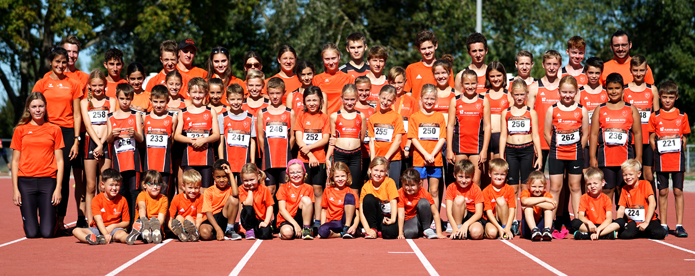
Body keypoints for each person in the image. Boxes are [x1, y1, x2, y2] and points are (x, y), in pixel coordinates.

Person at [32, 46, 82, 233]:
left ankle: (60, 220)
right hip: (47, 130)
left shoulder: (74, 83)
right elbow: (34, 108)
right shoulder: (42, 83)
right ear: (50, 63)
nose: (61, 65)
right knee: (46, 174)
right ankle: (46, 217)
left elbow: (77, 114)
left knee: (63, 174)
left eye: (64, 61)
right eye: (57, 62)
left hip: (68, 132)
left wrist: (77, 139)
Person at [11, 92, 65, 238]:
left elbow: (60, 160)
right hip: (25, 182)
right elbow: (15, 161)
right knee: (32, 233)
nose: (38, 110)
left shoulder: (55, 129)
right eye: (34, 106)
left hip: (48, 181)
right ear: (28, 108)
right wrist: (16, 189)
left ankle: (53, 220)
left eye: (41, 106)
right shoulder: (20, 130)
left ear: (46, 107)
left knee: (47, 233)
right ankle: (30, 222)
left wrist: (58, 188)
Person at [544, 75, 589, 227]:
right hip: (557, 153)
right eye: (564, 92)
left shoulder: (582, 110)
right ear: (559, 92)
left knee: (575, 187)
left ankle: (578, 221)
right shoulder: (553, 109)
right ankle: (552, 222)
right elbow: (546, 133)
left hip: (575, 153)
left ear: (576, 92)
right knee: (555, 187)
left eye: (571, 92)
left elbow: (585, 134)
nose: (567, 95)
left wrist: (577, 149)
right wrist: (556, 147)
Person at [589, 73, 642, 201]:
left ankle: (622, 219)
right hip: (605, 159)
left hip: (625, 159)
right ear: (606, 89)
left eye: (617, 88)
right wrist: (592, 157)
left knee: (623, 189)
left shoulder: (631, 109)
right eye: (610, 88)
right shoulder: (600, 109)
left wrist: (639, 156)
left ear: (623, 90)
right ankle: (606, 218)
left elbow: (638, 133)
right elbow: (594, 134)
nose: (614, 91)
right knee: (607, 189)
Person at [648, 81, 689, 237]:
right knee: (663, 191)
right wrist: (657, 150)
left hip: (677, 159)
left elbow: (684, 137)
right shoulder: (655, 116)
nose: (667, 100)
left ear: (676, 97)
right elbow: (652, 137)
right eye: (664, 97)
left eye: (670, 97)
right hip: (661, 160)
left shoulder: (682, 116)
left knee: (678, 191)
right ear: (659, 96)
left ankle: (679, 225)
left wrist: (679, 147)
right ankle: (664, 224)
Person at [174, 78, 220, 193]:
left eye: (200, 92)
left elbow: (216, 135)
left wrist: (203, 140)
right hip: (189, 158)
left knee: (205, 191)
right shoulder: (183, 112)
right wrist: (192, 140)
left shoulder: (211, 111)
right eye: (194, 92)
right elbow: (177, 136)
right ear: (188, 93)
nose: (197, 95)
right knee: (190, 190)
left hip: (206, 158)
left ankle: (204, 211)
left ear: (206, 93)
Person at [106, 83, 143, 225]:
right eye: (122, 98)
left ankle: (135, 224)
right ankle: (122, 223)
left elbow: (141, 139)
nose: (125, 102)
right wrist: (112, 135)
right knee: (120, 194)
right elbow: (108, 141)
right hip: (118, 164)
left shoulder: (136, 115)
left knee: (134, 194)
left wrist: (135, 134)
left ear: (132, 98)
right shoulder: (111, 117)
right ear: (117, 98)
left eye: (128, 99)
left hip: (133, 164)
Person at [81, 69, 113, 226]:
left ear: (105, 85)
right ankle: (90, 220)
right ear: (89, 86)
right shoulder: (84, 102)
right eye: (95, 85)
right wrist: (98, 144)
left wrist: (102, 143)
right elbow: (87, 125)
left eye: (101, 85)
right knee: (91, 185)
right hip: (91, 143)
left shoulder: (111, 101)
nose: (98, 88)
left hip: (106, 142)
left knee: (104, 184)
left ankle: (104, 218)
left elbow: (111, 124)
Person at [447, 69, 490, 186]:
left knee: (475, 181)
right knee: (461, 180)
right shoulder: (455, 101)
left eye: (473, 83)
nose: (470, 86)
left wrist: (484, 150)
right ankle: (461, 204)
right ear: (462, 84)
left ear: (477, 83)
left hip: (477, 147)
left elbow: (487, 126)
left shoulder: (483, 100)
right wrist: (450, 150)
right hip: (460, 146)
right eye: (467, 83)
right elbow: (450, 126)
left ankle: (474, 204)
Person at [294, 86, 329, 226]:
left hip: (320, 158)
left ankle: (318, 220)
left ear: (321, 101)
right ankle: (305, 221)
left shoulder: (324, 118)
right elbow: (298, 139)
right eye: (309, 100)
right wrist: (309, 154)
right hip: (303, 160)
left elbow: (325, 139)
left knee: (318, 189)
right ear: (304, 102)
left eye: (315, 100)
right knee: (305, 189)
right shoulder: (301, 116)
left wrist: (310, 149)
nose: (312, 103)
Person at [499, 79, 542, 194]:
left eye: (522, 94)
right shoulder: (505, 113)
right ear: (511, 94)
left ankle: (526, 212)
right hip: (511, 151)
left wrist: (540, 156)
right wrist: (501, 155)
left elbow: (536, 135)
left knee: (526, 188)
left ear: (527, 94)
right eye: (516, 94)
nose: (519, 97)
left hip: (527, 151)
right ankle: (512, 212)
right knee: (512, 188)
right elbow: (503, 136)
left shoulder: (531, 112)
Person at [408, 85, 446, 212]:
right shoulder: (415, 117)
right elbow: (413, 138)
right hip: (419, 158)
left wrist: (432, 155)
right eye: (426, 98)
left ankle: (434, 218)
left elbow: (442, 138)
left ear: (436, 100)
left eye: (432, 99)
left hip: (435, 159)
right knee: (417, 189)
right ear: (421, 98)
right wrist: (425, 155)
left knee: (434, 191)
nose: (429, 101)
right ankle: (418, 216)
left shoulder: (439, 117)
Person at [624, 55, 660, 187]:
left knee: (648, 175)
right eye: (636, 70)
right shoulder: (624, 89)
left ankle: (651, 205)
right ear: (631, 71)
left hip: (648, 138)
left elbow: (657, 116)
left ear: (646, 71)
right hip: (630, 140)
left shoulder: (652, 89)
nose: (638, 73)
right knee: (629, 174)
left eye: (641, 70)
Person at [327, 84, 367, 195]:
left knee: (354, 187)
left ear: (357, 99)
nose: (349, 102)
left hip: (356, 155)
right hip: (339, 154)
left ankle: (354, 212)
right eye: (346, 99)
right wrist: (327, 158)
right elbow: (332, 139)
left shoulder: (361, 116)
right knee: (338, 186)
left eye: (352, 99)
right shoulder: (334, 116)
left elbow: (362, 138)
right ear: (341, 99)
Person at [257, 77, 294, 195]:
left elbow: (292, 137)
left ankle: (281, 213)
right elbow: (260, 137)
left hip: (285, 158)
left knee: (284, 191)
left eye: (278, 93)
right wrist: (266, 153)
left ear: (284, 92)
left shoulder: (290, 112)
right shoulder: (262, 113)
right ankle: (269, 214)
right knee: (270, 191)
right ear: (267, 93)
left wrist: (287, 150)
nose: (275, 96)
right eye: (272, 93)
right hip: (268, 159)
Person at [527, 50, 563, 171]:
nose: (551, 68)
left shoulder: (564, 88)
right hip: (538, 142)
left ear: (560, 65)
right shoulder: (534, 87)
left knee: (560, 182)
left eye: (555, 64)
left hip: (560, 142)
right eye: (548, 64)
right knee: (536, 179)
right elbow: (528, 117)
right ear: (543, 64)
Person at [72, 169, 129, 244]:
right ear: (102, 185)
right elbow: (98, 220)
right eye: (111, 185)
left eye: (117, 185)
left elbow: (126, 222)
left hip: (114, 229)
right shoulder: (96, 199)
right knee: (76, 231)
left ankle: (128, 239)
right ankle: (92, 239)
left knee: (122, 234)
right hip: (97, 229)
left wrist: (113, 226)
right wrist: (105, 233)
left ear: (120, 185)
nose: (114, 188)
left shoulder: (123, 200)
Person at [615, 159, 666, 239]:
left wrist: (646, 222)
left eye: (631, 174)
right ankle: (639, 231)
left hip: (649, 220)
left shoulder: (645, 184)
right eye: (625, 175)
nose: (628, 177)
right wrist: (618, 225)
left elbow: (652, 203)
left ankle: (645, 229)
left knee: (659, 233)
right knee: (625, 235)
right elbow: (621, 208)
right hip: (633, 221)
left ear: (638, 174)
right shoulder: (624, 189)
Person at [218, 84, 256, 184]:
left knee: (244, 190)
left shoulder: (249, 117)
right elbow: (220, 141)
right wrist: (222, 160)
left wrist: (252, 161)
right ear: (227, 100)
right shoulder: (222, 117)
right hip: (228, 163)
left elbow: (252, 141)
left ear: (243, 99)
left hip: (244, 163)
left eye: (239, 99)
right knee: (229, 191)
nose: (236, 102)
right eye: (232, 99)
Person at [368, 85, 406, 188]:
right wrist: (373, 161)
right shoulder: (373, 118)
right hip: (377, 159)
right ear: (379, 96)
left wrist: (386, 158)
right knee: (376, 187)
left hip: (393, 159)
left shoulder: (397, 117)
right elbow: (371, 141)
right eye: (383, 98)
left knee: (393, 187)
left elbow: (398, 141)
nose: (385, 102)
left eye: (389, 100)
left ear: (394, 102)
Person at [144, 86, 177, 197]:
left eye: (162, 102)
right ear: (150, 101)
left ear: (167, 101)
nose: (158, 105)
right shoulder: (145, 117)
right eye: (155, 102)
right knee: (148, 194)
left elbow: (172, 139)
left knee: (163, 195)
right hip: (149, 163)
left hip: (165, 164)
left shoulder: (172, 118)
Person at [571, 168, 621, 240]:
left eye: (595, 183)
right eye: (589, 184)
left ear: (603, 183)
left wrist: (598, 230)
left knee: (620, 222)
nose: (592, 186)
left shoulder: (606, 199)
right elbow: (581, 216)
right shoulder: (584, 197)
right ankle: (606, 234)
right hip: (590, 226)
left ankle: (587, 235)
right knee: (574, 222)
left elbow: (609, 219)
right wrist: (589, 223)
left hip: (603, 225)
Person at [404, 30, 455, 100]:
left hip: (439, 109)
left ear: (436, 46)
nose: (427, 51)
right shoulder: (411, 68)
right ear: (418, 49)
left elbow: (451, 92)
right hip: (417, 110)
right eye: (423, 49)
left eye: (430, 47)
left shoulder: (445, 68)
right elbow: (407, 94)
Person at [397, 168, 446, 239]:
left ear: (419, 183)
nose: (409, 188)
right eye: (407, 185)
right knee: (409, 234)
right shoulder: (400, 193)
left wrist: (439, 233)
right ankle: (419, 230)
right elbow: (401, 214)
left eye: (413, 185)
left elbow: (435, 213)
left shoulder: (424, 193)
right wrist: (400, 233)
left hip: (422, 216)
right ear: (402, 183)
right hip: (409, 219)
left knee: (424, 202)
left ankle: (426, 229)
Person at [578, 57, 608, 170]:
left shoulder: (606, 93)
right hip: (585, 141)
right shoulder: (579, 92)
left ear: (601, 73)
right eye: (591, 73)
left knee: (601, 174)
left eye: (597, 73)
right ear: (585, 72)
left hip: (602, 142)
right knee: (585, 174)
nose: (594, 76)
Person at [200, 159, 241, 241]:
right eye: (218, 177)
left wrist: (230, 173)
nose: (221, 180)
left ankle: (230, 229)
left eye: (224, 176)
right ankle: (217, 234)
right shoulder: (209, 191)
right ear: (213, 176)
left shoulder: (231, 189)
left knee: (234, 199)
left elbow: (236, 194)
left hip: (224, 216)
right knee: (205, 234)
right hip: (212, 219)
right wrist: (218, 229)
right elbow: (208, 213)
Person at [360, 157, 399, 239]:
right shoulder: (366, 186)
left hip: (386, 218)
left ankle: (380, 232)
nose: (378, 174)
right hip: (374, 219)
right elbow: (361, 210)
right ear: (370, 170)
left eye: (382, 171)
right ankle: (373, 229)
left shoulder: (389, 182)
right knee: (368, 198)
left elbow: (393, 202)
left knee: (390, 234)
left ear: (386, 172)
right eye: (376, 170)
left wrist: (393, 219)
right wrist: (368, 230)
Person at [445, 159, 485, 240]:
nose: (463, 180)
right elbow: (448, 211)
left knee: (476, 233)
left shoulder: (476, 189)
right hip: (458, 215)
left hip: (472, 218)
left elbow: (479, 213)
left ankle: (465, 230)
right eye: (460, 177)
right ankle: (458, 229)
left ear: (472, 177)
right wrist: (455, 227)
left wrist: (466, 225)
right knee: (459, 199)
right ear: (454, 175)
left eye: (467, 177)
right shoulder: (451, 187)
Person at [319, 161, 359, 239]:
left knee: (349, 197)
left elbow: (357, 214)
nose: (340, 179)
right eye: (337, 176)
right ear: (332, 177)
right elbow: (324, 210)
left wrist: (354, 226)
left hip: (345, 220)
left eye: (343, 176)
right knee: (322, 231)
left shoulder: (351, 192)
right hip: (333, 222)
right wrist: (322, 225)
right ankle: (340, 234)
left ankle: (347, 229)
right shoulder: (327, 190)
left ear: (348, 176)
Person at [277, 159, 315, 240]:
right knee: (287, 233)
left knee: (306, 200)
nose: (295, 175)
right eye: (292, 172)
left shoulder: (309, 188)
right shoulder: (283, 187)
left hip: (301, 217)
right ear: (288, 174)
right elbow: (282, 210)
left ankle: (306, 229)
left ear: (304, 172)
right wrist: (295, 225)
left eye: (298, 172)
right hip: (287, 218)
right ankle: (290, 231)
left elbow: (310, 208)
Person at [313, 43, 356, 114]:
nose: (330, 62)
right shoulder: (316, 79)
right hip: (322, 121)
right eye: (327, 59)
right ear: (323, 59)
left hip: (342, 121)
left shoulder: (349, 79)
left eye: (333, 58)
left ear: (339, 57)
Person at [130, 170, 168, 244]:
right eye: (151, 184)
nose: (155, 187)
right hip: (143, 223)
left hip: (156, 225)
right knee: (141, 224)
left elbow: (161, 218)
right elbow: (142, 207)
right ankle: (143, 232)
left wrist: (154, 226)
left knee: (156, 229)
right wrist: (144, 221)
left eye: (158, 184)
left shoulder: (164, 199)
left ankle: (154, 233)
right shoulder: (142, 195)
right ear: (144, 185)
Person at [482, 158, 517, 239]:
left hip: (504, 218)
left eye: (502, 174)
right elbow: (489, 213)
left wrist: (507, 227)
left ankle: (505, 229)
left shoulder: (510, 189)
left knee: (500, 200)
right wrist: (498, 227)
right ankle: (499, 230)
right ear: (490, 174)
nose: (499, 177)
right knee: (492, 234)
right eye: (496, 174)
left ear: (506, 174)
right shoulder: (486, 191)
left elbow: (512, 210)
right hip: (491, 219)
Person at [239, 163, 274, 240]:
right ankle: (249, 230)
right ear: (242, 180)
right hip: (248, 220)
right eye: (246, 180)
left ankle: (257, 230)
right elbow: (248, 204)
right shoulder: (241, 189)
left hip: (260, 220)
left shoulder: (264, 189)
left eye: (252, 180)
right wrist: (250, 190)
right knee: (248, 208)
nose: (249, 183)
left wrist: (266, 222)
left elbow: (269, 206)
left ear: (258, 177)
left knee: (266, 235)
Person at [484, 61, 511, 159]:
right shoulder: (483, 96)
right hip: (486, 138)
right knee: (486, 173)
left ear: (504, 76)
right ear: (488, 77)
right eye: (492, 76)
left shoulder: (509, 95)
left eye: (498, 75)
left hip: (501, 138)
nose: (496, 79)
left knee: (499, 171)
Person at [168, 169, 204, 242]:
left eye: (196, 188)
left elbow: (200, 217)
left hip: (194, 223)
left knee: (188, 218)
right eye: (190, 188)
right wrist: (174, 231)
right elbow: (169, 219)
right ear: (183, 187)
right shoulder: (177, 198)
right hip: (181, 223)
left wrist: (196, 228)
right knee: (179, 217)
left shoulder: (201, 198)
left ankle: (193, 233)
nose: (193, 191)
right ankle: (182, 234)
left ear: (200, 187)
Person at [519, 171, 555, 241]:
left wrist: (532, 202)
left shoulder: (547, 195)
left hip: (541, 227)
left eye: (540, 187)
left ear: (545, 186)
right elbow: (525, 201)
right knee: (528, 208)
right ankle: (534, 230)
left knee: (548, 209)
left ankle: (547, 230)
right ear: (528, 185)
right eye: (534, 186)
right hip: (527, 229)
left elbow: (551, 206)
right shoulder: (526, 192)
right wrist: (544, 199)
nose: (537, 189)